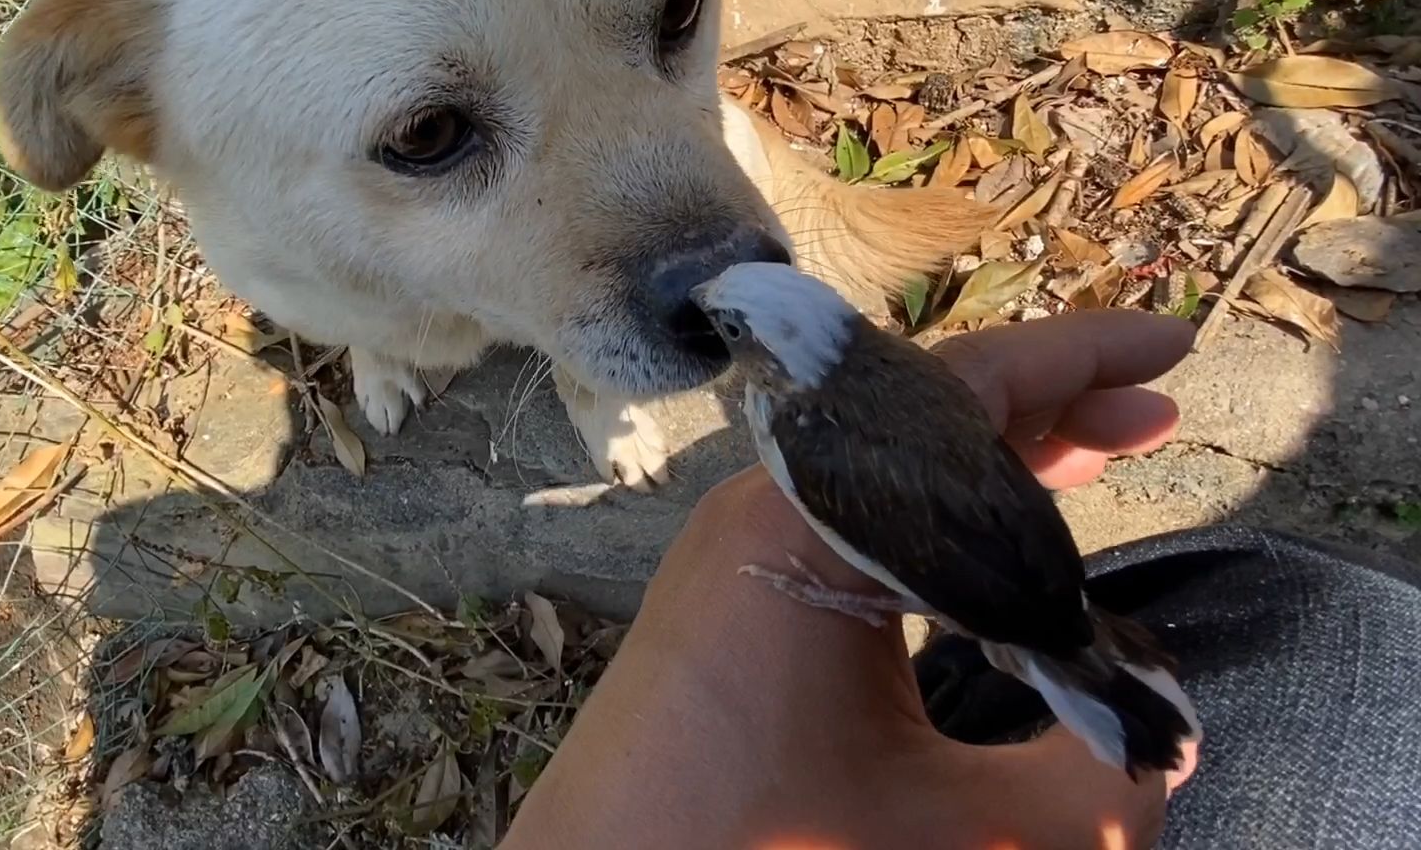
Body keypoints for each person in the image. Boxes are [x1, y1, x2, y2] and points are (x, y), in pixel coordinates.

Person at [501, 311, 1421, 849]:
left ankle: (1033, 675)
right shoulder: (881, 377)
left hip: (1002, 598)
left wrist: (864, 598)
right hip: (1025, 576)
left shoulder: (797, 430)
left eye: (732, 326)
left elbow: (909, 562)